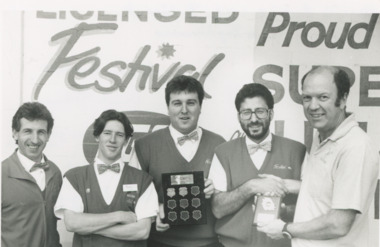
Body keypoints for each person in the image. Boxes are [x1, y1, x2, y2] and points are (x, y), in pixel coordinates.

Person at [257, 66, 379, 247]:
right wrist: (284, 188)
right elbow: (325, 194)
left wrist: (285, 228)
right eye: (307, 97)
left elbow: (338, 224)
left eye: (323, 97)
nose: (313, 106)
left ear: (343, 98)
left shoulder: (355, 147)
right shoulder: (322, 135)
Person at [129, 75, 226, 247]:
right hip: (159, 242)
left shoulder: (219, 144)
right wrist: (153, 211)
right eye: (177, 103)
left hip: (209, 243)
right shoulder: (144, 146)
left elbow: (227, 200)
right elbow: (130, 196)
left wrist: (216, 191)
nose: (184, 110)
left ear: (200, 107)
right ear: (168, 107)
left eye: (191, 102)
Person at [209, 83, 306, 247]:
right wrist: (251, 186)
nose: (253, 119)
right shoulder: (222, 152)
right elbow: (218, 209)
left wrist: (286, 208)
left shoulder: (297, 151)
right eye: (246, 113)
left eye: (260, 111)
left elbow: (315, 202)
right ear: (239, 116)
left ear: (271, 113)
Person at [54, 110, 158, 247]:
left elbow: (142, 231)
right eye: (107, 133)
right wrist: (119, 216)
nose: (112, 140)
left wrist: (89, 227)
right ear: (97, 136)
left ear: (126, 140)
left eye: (119, 135)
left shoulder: (143, 180)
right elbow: (72, 223)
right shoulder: (74, 177)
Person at [2, 102, 62, 247]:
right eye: (27, 131)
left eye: (41, 132)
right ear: (15, 133)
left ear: (48, 135)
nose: (35, 140)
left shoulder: (55, 172)